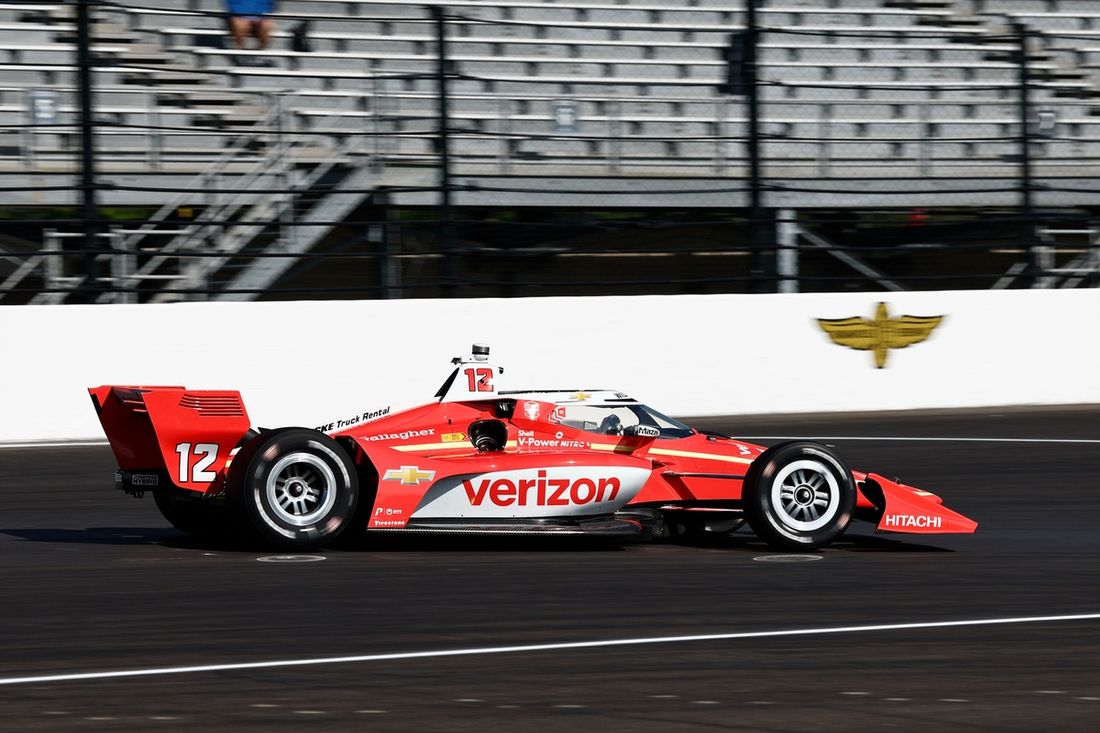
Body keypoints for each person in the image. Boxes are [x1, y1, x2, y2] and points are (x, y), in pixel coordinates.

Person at [225, 0, 276, 66]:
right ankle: (240, 52)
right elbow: (231, 4)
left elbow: (270, 4)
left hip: (259, 15)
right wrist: (243, 15)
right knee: (240, 25)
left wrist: (259, 15)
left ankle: (256, 52)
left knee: (267, 25)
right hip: (239, 15)